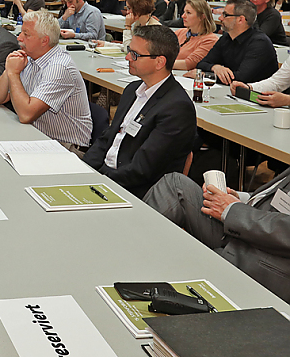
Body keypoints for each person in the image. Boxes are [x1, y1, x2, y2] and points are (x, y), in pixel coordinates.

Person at [144, 167, 290, 302]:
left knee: (190, 262)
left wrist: (233, 209)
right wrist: (240, 198)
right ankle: (134, 255)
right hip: (251, 226)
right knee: (175, 185)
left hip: (272, 258)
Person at [84, 26, 197, 199]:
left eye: (135, 54)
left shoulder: (176, 108)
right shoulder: (132, 90)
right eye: (129, 51)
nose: (128, 57)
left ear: (159, 62)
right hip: (106, 176)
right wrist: (84, 169)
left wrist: (98, 180)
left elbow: (143, 169)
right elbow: (107, 139)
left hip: (135, 191)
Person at [0, 9, 92, 153]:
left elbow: (26, 115)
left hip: (67, 148)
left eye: (26, 34)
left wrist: (13, 74)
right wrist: (8, 71)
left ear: (44, 41)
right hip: (37, 137)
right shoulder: (30, 58)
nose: (19, 38)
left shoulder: (59, 67)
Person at [195, 0, 278, 85]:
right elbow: (202, 64)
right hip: (232, 92)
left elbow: (240, 78)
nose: (220, 18)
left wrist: (204, 76)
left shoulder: (259, 43)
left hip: (257, 95)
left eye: (225, 15)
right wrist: (214, 67)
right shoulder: (227, 37)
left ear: (240, 20)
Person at [171, 0, 219, 71]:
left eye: (188, 13)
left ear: (202, 17)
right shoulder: (180, 32)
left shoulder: (210, 40)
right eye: (184, 12)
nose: (183, 16)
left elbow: (189, 64)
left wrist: (159, 65)